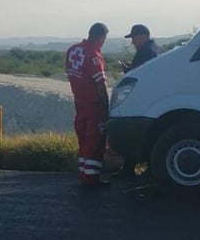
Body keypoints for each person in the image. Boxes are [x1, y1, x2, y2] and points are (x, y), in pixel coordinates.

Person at [65, 22, 111, 188]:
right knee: (95, 140)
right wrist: (107, 107)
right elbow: (100, 85)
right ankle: (91, 178)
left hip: (79, 102)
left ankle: (83, 172)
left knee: (83, 139)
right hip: (94, 105)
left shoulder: (72, 51)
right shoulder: (93, 56)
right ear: (101, 37)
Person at [113, 24, 161, 178]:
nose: (132, 42)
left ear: (142, 36)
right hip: (154, 99)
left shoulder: (146, 52)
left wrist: (128, 70)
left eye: (134, 38)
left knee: (134, 134)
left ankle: (128, 170)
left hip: (144, 100)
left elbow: (141, 75)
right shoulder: (154, 49)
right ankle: (147, 168)